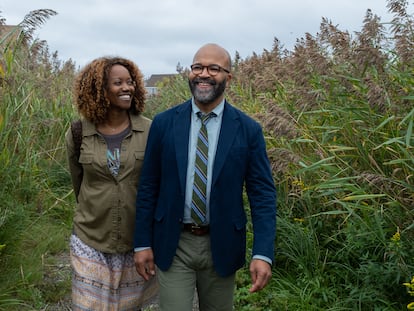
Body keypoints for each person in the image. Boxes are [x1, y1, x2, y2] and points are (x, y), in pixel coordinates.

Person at [133, 43, 277, 311]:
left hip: (221, 242)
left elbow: (262, 194)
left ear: (228, 78)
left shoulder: (247, 130)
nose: (204, 74)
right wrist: (141, 242)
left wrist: (262, 253)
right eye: (198, 67)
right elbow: (149, 185)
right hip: (174, 242)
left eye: (214, 68)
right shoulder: (164, 123)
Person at [65, 56, 158, 310]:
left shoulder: (151, 131)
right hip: (90, 238)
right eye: (118, 83)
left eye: (130, 82)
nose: (127, 88)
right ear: (99, 89)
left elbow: (157, 185)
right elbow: (79, 182)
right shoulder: (78, 132)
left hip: (134, 241)